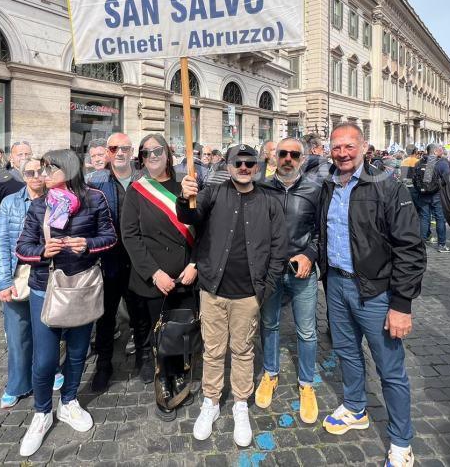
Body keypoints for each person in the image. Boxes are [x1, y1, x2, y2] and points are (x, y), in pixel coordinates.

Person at [319, 123, 425, 467]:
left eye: (349, 147)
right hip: (336, 283)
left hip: (377, 291)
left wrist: (401, 305)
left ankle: (401, 442)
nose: (343, 154)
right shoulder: (327, 184)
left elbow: (410, 247)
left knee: (390, 369)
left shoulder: (387, 187)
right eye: (336, 148)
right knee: (347, 352)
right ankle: (354, 407)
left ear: (364, 147)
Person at [178, 144, 288, 448]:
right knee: (213, 351)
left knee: (242, 350)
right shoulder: (213, 193)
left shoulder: (269, 199)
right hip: (213, 289)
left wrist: (264, 288)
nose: (243, 167)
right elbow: (190, 216)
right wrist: (185, 194)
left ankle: (241, 403)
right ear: (227, 166)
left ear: (257, 166)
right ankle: (211, 401)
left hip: (248, 293)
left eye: (248, 162)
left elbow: (280, 248)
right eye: (237, 162)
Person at [15, 149, 117, 456]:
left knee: (77, 353)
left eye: (49, 169)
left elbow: (109, 238)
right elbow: (23, 248)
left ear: (68, 169)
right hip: (45, 288)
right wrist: (41, 252)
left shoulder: (95, 199)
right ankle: (42, 412)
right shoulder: (39, 205)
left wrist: (88, 244)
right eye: (41, 170)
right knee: (45, 359)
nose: (42, 175)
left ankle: (69, 402)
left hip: (82, 286)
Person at [121, 134, 198, 420]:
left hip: (185, 276)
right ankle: (164, 378)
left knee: (182, 330)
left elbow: (200, 230)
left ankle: (181, 372)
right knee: (160, 333)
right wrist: (154, 273)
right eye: (146, 152)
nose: (152, 155)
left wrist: (195, 265)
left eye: (157, 151)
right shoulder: (136, 191)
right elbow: (130, 236)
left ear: (168, 154)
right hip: (154, 278)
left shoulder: (184, 187)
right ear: (141, 158)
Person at [255, 137, 322, 423]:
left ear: (303, 159)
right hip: (271, 271)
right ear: (274, 157)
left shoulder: (315, 190)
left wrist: (310, 253)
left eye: (294, 155)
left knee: (306, 331)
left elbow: (323, 231)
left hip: (301, 271)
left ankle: (306, 383)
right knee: (269, 324)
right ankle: (270, 373)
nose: (288, 159)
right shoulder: (261, 188)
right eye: (283, 153)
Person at [0, 158, 63, 408]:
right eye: (29, 172)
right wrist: (2, 280)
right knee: (18, 333)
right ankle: (18, 383)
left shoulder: (57, 199)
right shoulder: (10, 203)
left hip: (46, 273)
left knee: (47, 328)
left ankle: (50, 371)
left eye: (39, 171)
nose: (35, 176)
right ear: (23, 175)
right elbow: (0, 242)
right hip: (18, 274)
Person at [86, 132, 140, 393]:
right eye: (114, 148)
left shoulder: (144, 179)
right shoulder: (95, 181)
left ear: (132, 152)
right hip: (108, 259)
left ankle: (144, 355)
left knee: (140, 312)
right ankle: (104, 364)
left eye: (125, 148)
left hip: (138, 259)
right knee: (106, 316)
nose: (119, 152)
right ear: (107, 152)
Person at [0, 141, 33, 227]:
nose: (24, 157)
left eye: (27, 154)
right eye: (20, 154)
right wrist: (8, 218)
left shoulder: (40, 177)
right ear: (11, 158)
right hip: (9, 234)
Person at [412, 144, 450, 251]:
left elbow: (414, 179)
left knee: (424, 218)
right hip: (437, 194)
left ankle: (421, 244)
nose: (442, 151)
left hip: (423, 194)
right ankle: (441, 245)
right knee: (440, 219)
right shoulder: (442, 163)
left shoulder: (419, 162)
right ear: (434, 152)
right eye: (440, 149)